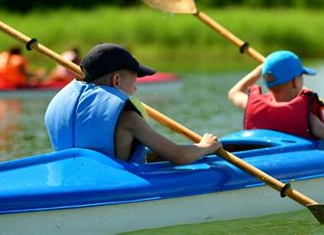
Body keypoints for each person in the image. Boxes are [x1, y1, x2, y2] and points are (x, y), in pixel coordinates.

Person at [45, 43, 221, 164]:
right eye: (134, 83)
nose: (135, 90)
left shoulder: (57, 105)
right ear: (116, 80)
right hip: (114, 187)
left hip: (68, 181)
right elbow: (179, 156)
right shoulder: (128, 117)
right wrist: (205, 146)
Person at [228, 50, 324, 147]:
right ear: (295, 81)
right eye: (301, 76)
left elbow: (234, 92)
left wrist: (259, 70)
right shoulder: (306, 117)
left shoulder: (252, 105)